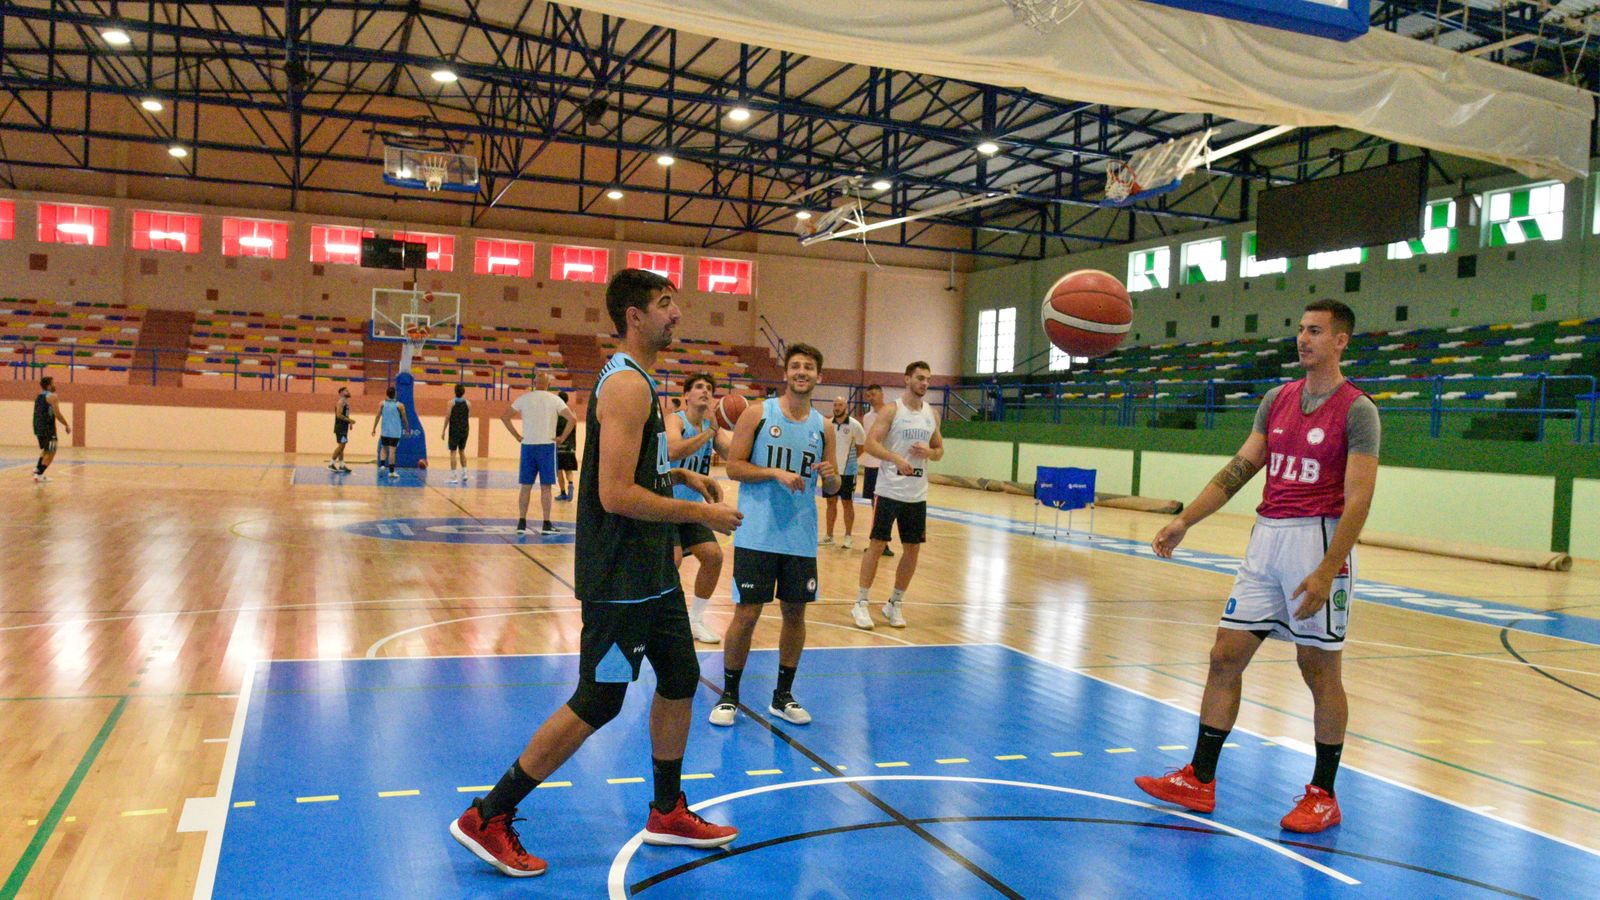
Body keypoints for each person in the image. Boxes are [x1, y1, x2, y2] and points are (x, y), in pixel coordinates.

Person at [450, 268, 743, 878]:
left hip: (652, 574)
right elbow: (613, 493)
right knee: (600, 700)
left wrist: (681, 474)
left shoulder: (641, 380)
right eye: (666, 304)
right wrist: (704, 512)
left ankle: (666, 810)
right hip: (620, 579)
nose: (677, 315)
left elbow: (642, 464)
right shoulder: (628, 387)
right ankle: (488, 816)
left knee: (681, 676)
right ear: (634, 316)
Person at [1133, 299, 1379, 835]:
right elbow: (1239, 469)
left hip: (1318, 542)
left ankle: (1324, 793)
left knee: (1318, 670)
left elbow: (1359, 500)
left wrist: (1327, 569)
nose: (1303, 338)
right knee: (1225, 655)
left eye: (1316, 330)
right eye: (1300, 328)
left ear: (1341, 341)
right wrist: (1185, 521)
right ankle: (1200, 778)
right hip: (1266, 540)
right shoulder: (1277, 399)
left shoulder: (1358, 410)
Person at [711, 343, 838, 728]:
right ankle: (729, 695)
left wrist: (832, 479)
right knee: (746, 613)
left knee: (795, 613)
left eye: (809, 367)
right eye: (796, 366)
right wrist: (774, 473)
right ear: (786, 374)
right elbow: (733, 467)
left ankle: (782, 696)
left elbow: (831, 489)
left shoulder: (824, 427)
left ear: (819, 376)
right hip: (757, 533)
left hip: (799, 537)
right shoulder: (756, 414)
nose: (802, 372)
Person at [853, 362, 942, 630]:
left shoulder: (932, 414)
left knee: (912, 548)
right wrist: (895, 457)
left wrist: (930, 453)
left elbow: (939, 450)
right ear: (907, 379)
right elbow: (870, 444)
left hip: (917, 493)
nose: (924, 383)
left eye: (927, 379)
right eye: (919, 378)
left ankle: (895, 603)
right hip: (890, 489)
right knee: (877, 544)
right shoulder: (892, 411)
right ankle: (861, 602)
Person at [666, 373, 733, 644]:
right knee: (673, 561)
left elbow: (733, 455)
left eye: (709, 388)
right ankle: (662, 618)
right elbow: (672, 451)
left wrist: (732, 425)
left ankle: (695, 619)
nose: (704, 391)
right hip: (667, 506)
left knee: (714, 556)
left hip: (693, 509)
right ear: (686, 396)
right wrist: (709, 432)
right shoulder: (675, 420)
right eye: (698, 387)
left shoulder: (711, 427)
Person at [503, 371, 575, 534]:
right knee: (546, 488)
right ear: (548, 384)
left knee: (525, 487)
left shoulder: (524, 398)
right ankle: (546, 523)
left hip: (528, 446)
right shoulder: (555, 400)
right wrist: (562, 438)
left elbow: (505, 417)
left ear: (535, 383)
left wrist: (516, 436)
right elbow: (572, 419)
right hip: (547, 447)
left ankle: (521, 523)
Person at [821, 396, 866, 549]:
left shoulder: (855, 425)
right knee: (830, 502)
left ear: (846, 407)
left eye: (840, 405)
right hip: (830, 471)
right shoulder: (827, 424)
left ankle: (848, 536)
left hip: (848, 472)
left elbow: (861, 447)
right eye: (835, 404)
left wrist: (849, 462)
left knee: (847, 503)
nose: (837, 407)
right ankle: (829, 536)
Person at [858, 385, 893, 558]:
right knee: (874, 504)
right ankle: (879, 541)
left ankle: (882, 541)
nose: (871, 397)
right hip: (871, 466)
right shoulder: (867, 417)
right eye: (868, 395)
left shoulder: (890, 413)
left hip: (885, 465)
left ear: (882, 394)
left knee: (884, 504)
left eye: (874, 394)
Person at [31, 376, 70, 483]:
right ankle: (39, 474)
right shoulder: (52, 396)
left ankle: (37, 469)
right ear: (49, 386)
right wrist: (66, 424)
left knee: (46, 450)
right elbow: (57, 414)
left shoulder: (38, 396)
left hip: (38, 427)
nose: (55, 385)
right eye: (53, 383)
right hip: (48, 428)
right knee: (52, 451)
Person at [372, 385, 408, 479]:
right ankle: (391, 472)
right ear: (395, 394)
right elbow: (404, 418)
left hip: (385, 431)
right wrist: (407, 429)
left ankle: (382, 465)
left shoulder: (382, 404)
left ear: (386, 394)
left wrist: (374, 428)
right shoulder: (400, 405)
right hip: (395, 432)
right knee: (392, 451)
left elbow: (377, 416)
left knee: (383, 448)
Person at [442, 384, 471, 484]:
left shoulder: (451, 403)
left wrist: (444, 430)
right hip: (465, 429)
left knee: (453, 452)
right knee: (462, 451)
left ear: (455, 391)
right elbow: (468, 416)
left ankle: (454, 477)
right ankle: (465, 473)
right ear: (464, 392)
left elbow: (447, 417)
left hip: (455, 429)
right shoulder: (468, 403)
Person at [555, 390, 578, 501]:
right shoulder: (572, 412)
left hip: (559, 447)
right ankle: (571, 484)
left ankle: (563, 492)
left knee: (559, 470)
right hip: (571, 446)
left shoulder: (557, 413)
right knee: (569, 470)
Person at [329, 386, 354, 473]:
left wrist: (349, 422)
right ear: (341, 393)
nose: (348, 391)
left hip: (344, 427)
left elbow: (345, 415)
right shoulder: (341, 402)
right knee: (341, 445)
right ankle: (331, 463)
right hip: (340, 427)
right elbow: (339, 415)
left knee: (342, 446)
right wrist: (350, 420)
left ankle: (342, 465)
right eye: (346, 391)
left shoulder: (345, 402)